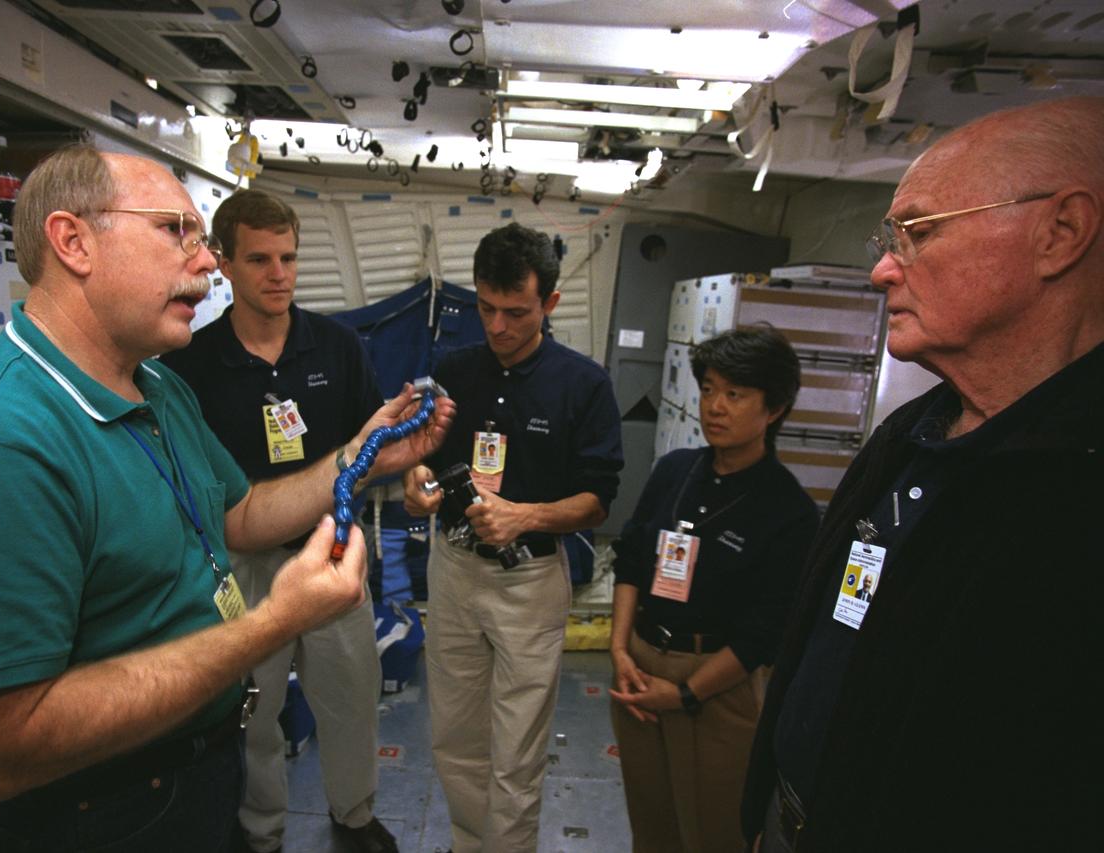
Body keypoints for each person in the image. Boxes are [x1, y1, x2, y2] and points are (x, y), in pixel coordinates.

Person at [0, 144, 454, 852]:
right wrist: (271, 625)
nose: (206, 262)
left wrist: (364, 454)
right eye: (176, 232)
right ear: (73, 241)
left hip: (195, 784)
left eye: (203, 240)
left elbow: (241, 515)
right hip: (103, 816)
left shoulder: (156, 389)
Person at [742, 96, 1104, 852]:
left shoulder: (1076, 489)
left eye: (918, 233)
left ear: (1060, 233)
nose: (880, 269)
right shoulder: (909, 438)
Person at [161, 189, 395, 853]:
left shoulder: (338, 347)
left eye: (288, 257)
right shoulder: (190, 366)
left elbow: (371, 447)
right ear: (224, 265)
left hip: (329, 553)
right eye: (259, 259)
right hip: (244, 567)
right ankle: (261, 832)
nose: (279, 273)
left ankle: (354, 816)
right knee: (254, 714)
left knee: (350, 699)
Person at [403, 221, 624, 853]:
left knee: (517, 751)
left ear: (549, 303)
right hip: (453, 570)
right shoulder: (454, 368)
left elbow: (597, 500)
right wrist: (417, 479)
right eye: (486, 308)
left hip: (527, 581)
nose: (497, 326)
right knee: (455, 737)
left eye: (515, 312)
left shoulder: (583, 385)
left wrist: (523, 515)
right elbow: (424, 450)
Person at [608, 327, 819, 853]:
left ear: (774, 410)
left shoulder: (787, 510)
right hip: (640, 671)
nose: (713, 407)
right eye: (707, 389)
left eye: (734, 394)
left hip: (715, 687)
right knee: (651, 830)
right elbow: (632, 559)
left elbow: (763, 634)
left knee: (712, 834)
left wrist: (683, 694)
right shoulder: (674, 471)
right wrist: (618, 647)